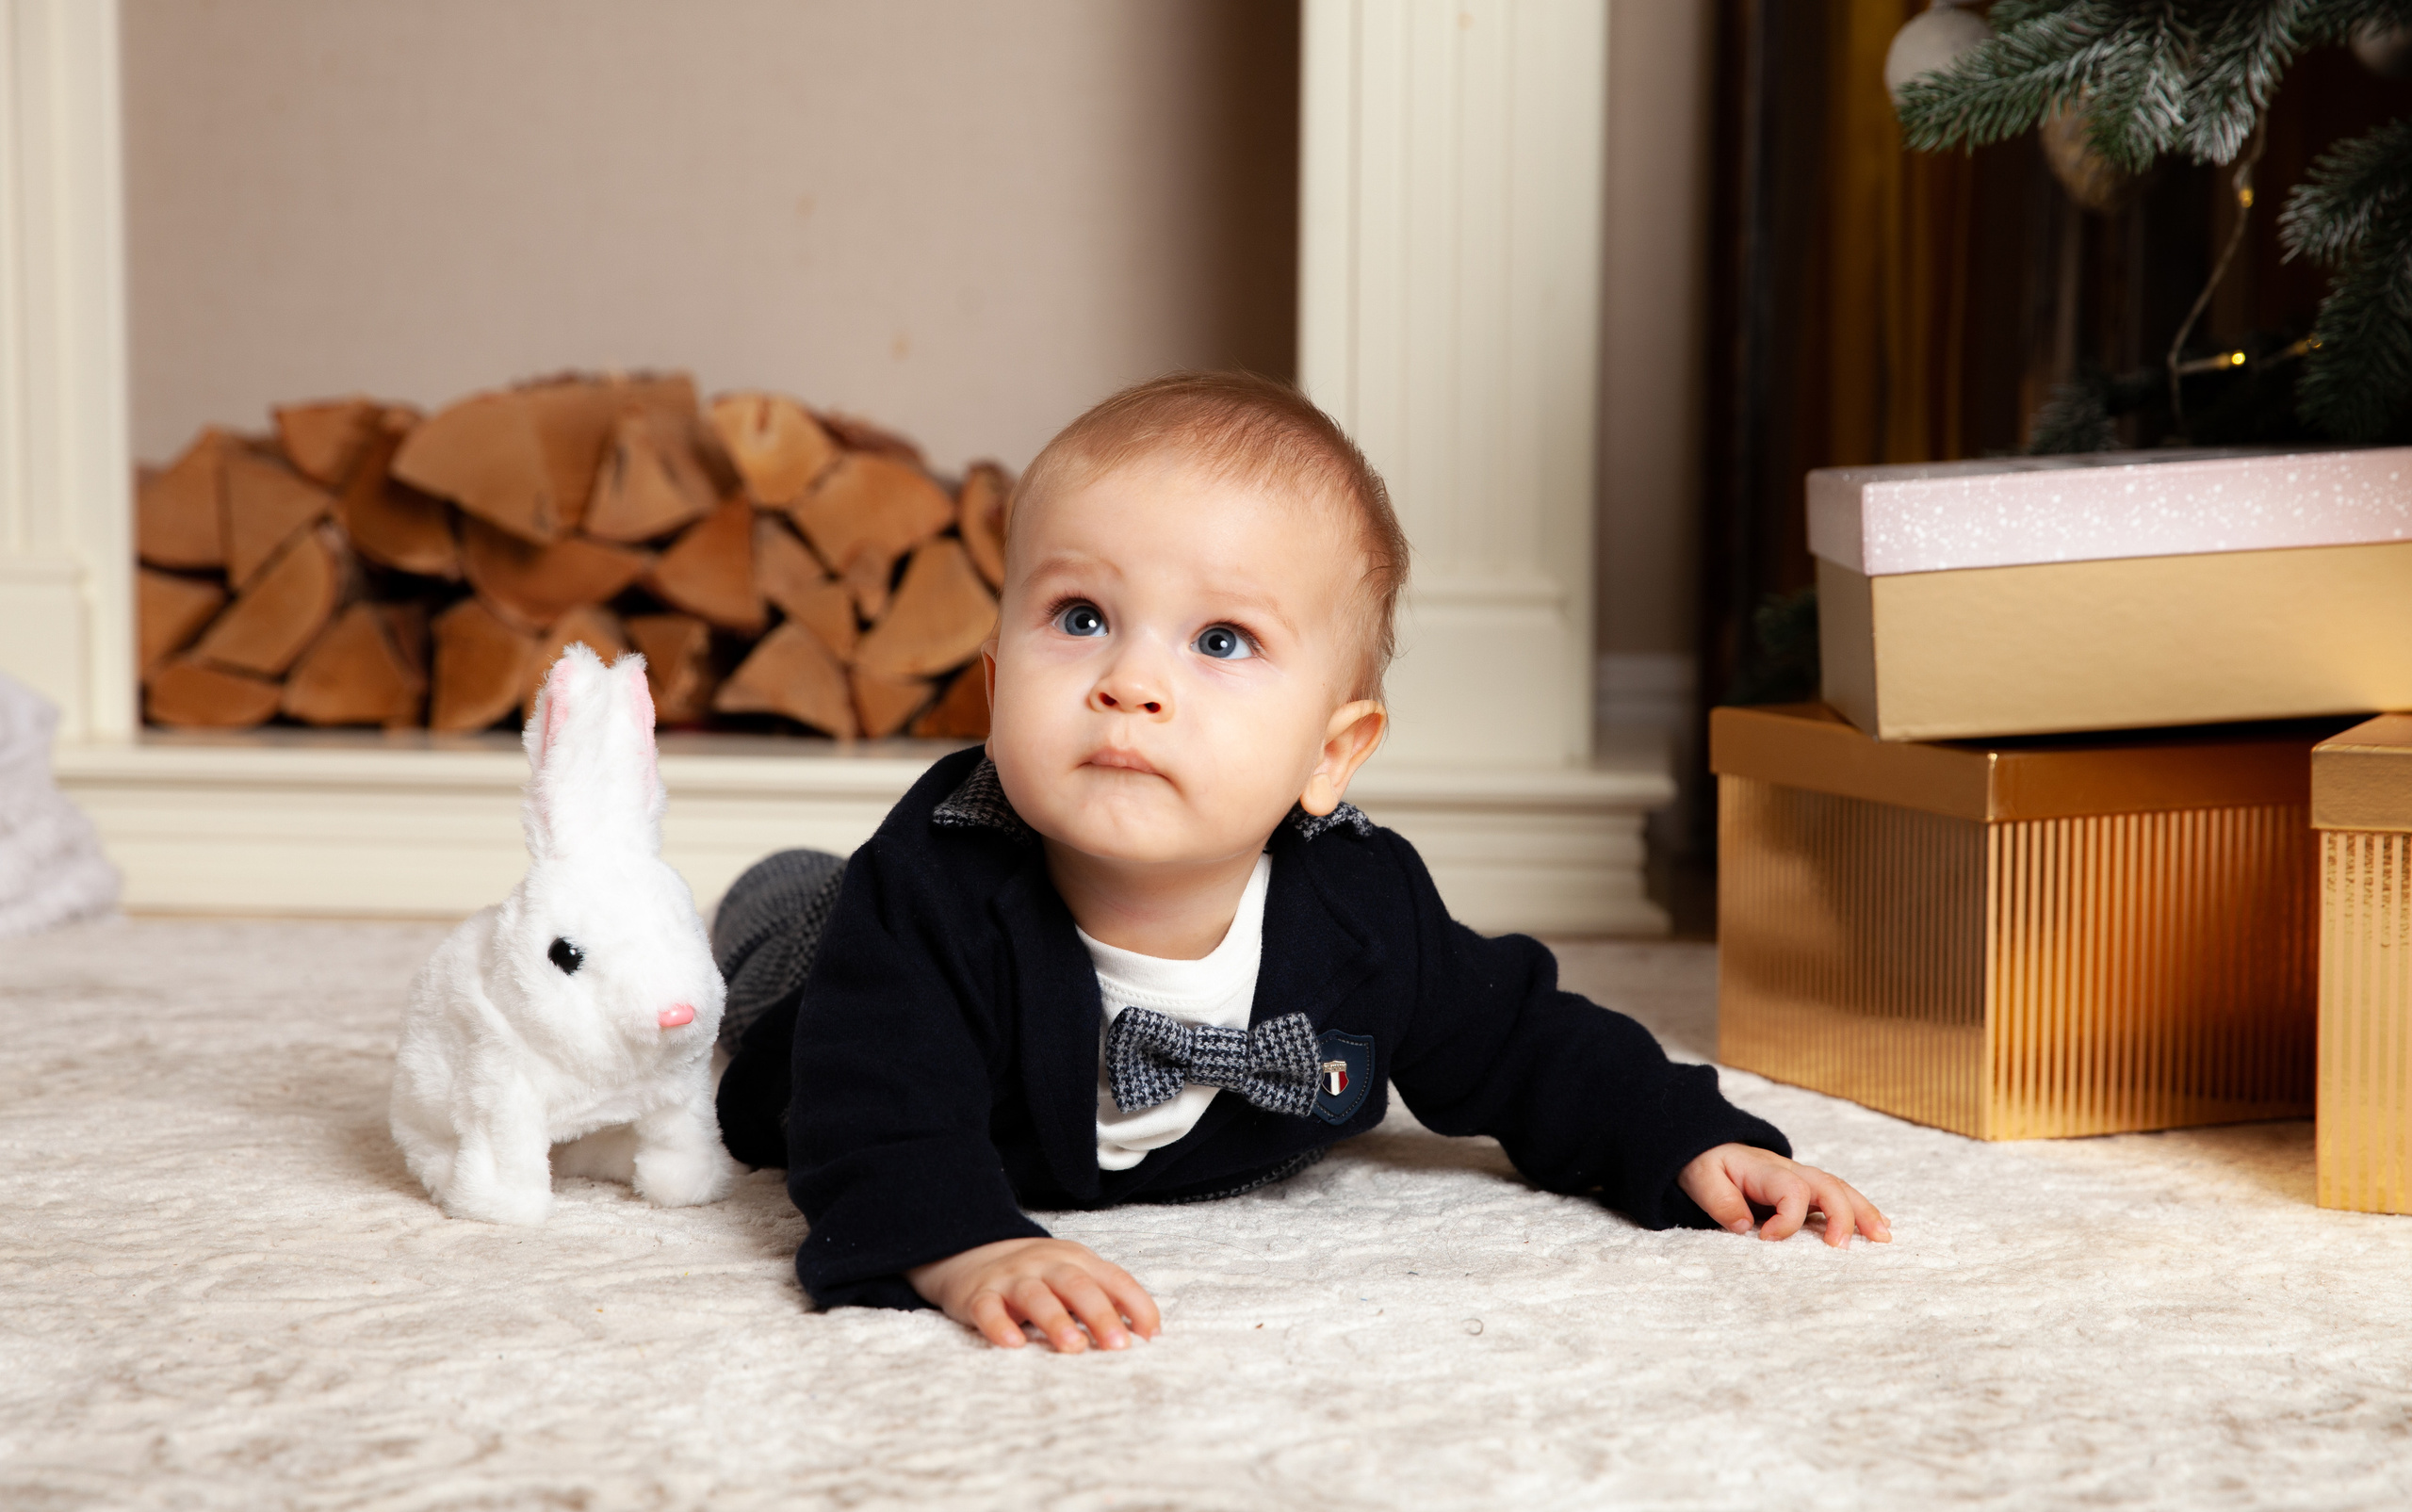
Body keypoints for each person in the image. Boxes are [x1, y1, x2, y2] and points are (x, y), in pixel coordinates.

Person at [710, 372, 1888, 1354]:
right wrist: (966, 1246)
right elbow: (875, 1106)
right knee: (771, 949)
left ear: (1331, 755)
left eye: (1221, 639)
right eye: (1079, 618)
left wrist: (1687, 1137)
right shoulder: (930, 885)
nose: (1131, 681)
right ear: (994, 681)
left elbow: (1525, 1038)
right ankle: (768, 894)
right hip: (828, 985)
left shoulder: (1362, 911)